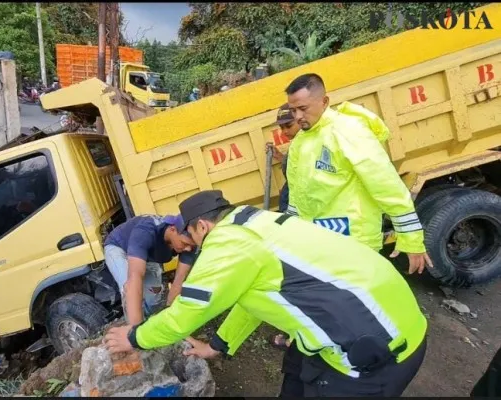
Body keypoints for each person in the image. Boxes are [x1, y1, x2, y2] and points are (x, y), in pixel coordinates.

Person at [104, 190, 428, 397]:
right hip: (380, 313)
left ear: (202, 226)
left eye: (192, 235)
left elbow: (184, 315)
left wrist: (134, 338)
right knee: (295, 376)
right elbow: (254, 297)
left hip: (378, 349)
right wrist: (218, 346)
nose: (192, 246)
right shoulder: (255, 221)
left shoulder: (228, 244)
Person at [283, 73, 433, 275]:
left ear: (324, 102)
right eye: (293, 110)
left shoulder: (348, 131)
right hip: (321, 240)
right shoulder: (301, 140)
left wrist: (411, 238)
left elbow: (385, 185)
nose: (298, 117)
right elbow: (298, 191)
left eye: (303, 108)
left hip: (355, 239)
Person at [103, 214, 196, 325]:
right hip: (119, 248)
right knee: (130, 289)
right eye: (184, 243)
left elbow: (178, 282)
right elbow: (135, 277)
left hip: (147, 257)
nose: (188, 248)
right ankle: (132, 329)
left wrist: (169, 318)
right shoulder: (146, 230)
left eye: (191, 245)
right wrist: (136, 336)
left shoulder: (189, 246)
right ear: (172, 230)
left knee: (153, 297)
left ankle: (147, 323)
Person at [266, 104, 301, 213]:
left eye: (289, 125)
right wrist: (282, 158)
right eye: (282, 128)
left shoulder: (309, 143)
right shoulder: (297, 144)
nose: (285, 131)